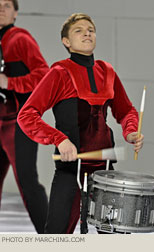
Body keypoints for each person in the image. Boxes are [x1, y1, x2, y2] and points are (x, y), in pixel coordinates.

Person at [17, 13, 144, 234]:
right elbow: (26, 115)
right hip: (70, 169)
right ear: (66, 42)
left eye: (91, 30)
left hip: (105, 170)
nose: (87, 32)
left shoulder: (107, 71)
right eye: (79, 30)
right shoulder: (58, 73)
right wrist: (60, 139)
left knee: (113, 236)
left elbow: (126, 111)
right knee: (56, 236)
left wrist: (131, 131)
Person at [0, 0, 49, 233]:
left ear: (16, 12)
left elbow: (44, 76)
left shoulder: (20, 39)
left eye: (7, 5)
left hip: (16, 124)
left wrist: (10, 82)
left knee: (28, 183)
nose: (1, 9)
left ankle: (53, 240)